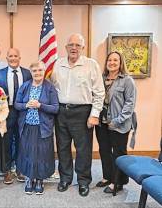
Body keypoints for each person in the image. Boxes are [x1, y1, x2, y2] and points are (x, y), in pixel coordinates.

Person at [51, 33, 105, 197]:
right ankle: (65, 178)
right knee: (62, 147)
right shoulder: (57, 64)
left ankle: (83, 181)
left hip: (83, 113)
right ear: (66, 47)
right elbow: (52, 87)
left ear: (83, 47)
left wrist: (94, 114)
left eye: (77, 45)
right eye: (70, 45)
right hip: (61, 112)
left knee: (83, 149)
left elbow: (99, 93)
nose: (74, 48)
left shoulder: (91, 64)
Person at [95, 51, 137, 193]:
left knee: (118, 153)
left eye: (115, 60)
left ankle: (118, 181)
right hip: (102, 123)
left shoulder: (127, 80)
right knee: (104, 150)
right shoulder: (101, 78)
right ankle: (107, 177)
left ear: (120, 63)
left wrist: (118, 120)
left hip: (119, 123)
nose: (112, 62)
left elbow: (130, 104)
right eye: (109, 60)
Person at [15, 61, 59, 195]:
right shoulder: (25, 86)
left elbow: (56, 108)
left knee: (42, 154)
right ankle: (29, 178)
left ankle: (39, 179)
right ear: (31, 72)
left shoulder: (50, 87)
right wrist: (26, 105)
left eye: (40, 70)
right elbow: (16, 104)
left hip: (43, 127)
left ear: (44, 71)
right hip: (27, 126)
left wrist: (41, 105)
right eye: (34, 71)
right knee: (27, 153)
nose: (37, 73)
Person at [0, 48, 32, 184]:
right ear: (7, 58)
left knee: (21, 141)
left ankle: (20, 169)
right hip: (6, 112)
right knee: (6, 142)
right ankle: (7, 170)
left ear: (19, 58)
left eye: (16, 56)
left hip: (23, 112)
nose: (13, 58)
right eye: (10, 56)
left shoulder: (28, 73)